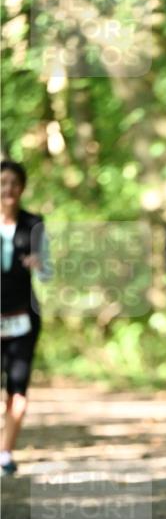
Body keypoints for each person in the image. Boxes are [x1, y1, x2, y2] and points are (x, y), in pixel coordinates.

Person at [1, 160, 52, 477]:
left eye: (14, 183)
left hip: (23, 319)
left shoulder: (35, 223)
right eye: (2, 182)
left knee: (17, 388)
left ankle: (5, 452)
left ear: (22, 188)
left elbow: (48, 272)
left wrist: (40, 264)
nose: (8, 189)